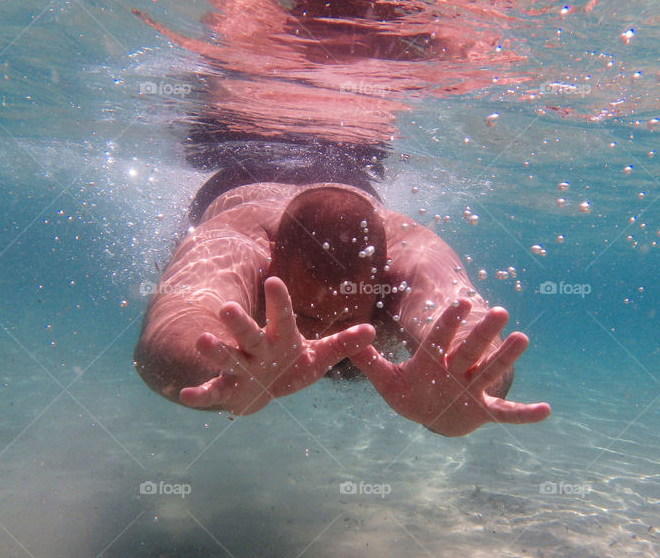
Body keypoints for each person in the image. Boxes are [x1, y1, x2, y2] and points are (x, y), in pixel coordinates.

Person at [133, 178, 550, 436]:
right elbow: (176, 320)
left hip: (354, 182)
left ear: (381, 281)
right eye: (308, 318)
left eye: (350, 316)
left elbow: (468, 325)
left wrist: (469, 384)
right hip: (237, 177)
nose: (327, 337)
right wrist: (219, 368)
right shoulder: (233, 243)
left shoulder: (410, 258)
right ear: (271, 264)